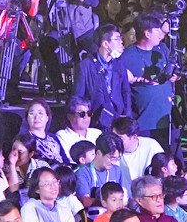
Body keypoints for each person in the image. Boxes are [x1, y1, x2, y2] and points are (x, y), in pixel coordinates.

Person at [121, 12, 176, 146]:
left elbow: (174, 71)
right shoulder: (128, 56)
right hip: (144, 123)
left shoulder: (162, 49)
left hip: (166, 119)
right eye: (157, 31)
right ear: (147, 33)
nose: (161, 35)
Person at [74, 24, 133, 130]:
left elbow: (126, 91)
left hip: (118, 118)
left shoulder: (119, 64)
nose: (121, 42)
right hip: (96, 118)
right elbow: (78, 96)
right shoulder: (86, 66)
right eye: (117, 39)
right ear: (105, 43)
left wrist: (127, 114)